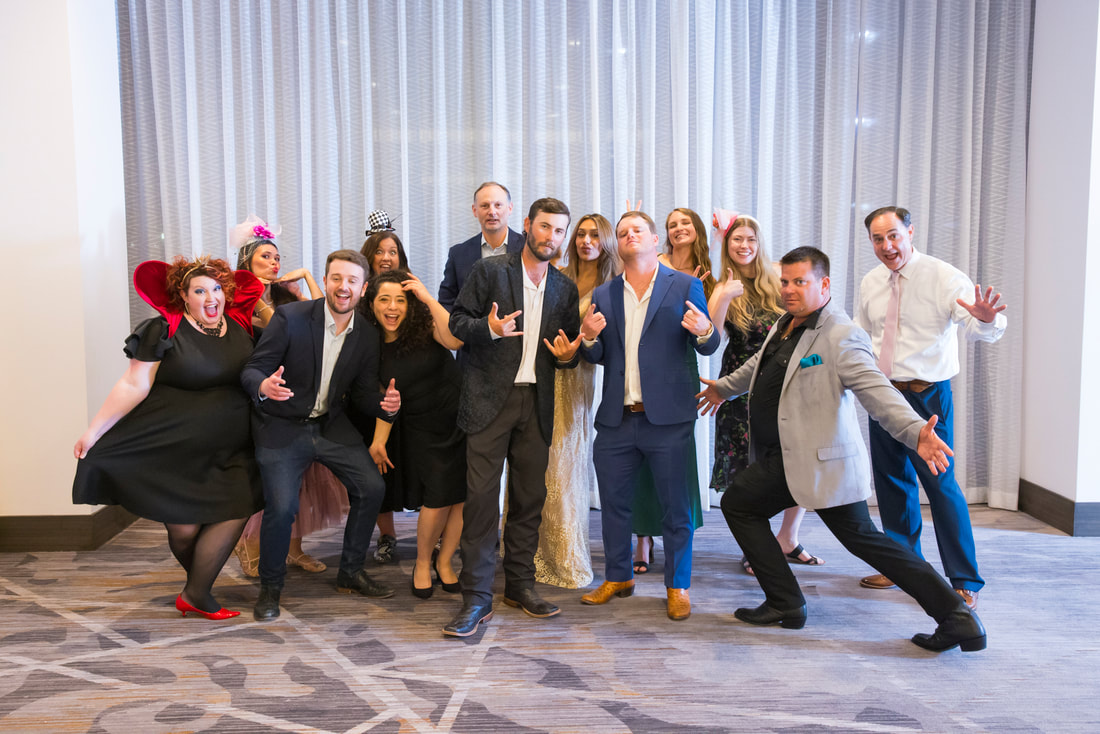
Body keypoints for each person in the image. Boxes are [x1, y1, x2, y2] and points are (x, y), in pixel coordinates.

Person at [697, 246, 986, 653]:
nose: (789, 290)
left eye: (800, 282)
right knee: (754, 508)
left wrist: (915, 430)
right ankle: (787, 601)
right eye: (785, 281)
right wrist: (723, 389)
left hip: (819, 463)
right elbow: (758, 366)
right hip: (788, 457)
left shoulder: (840, 333)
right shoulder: (787, 322)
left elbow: (875, 389)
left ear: (824, 284)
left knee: (754, 508)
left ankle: (955, 617)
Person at [73, 256, 264, 620]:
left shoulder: (240, 326)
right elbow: (133, 383)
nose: (212, 297)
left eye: (217, 288)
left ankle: (196, 593)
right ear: (184, 296)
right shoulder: (165, 329)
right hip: (173, 448)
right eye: (200, 290)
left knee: (241, 504)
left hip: (234, 446)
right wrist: (94, 431)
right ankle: (199, 587)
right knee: (185, 530)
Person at [855, 207, 1007, 609]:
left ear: (910, 232)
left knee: (940, 485)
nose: (886, 246)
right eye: (877, 239)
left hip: (928, 396)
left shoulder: (943, 276)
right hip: (883, 393)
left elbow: (976, 326)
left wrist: (988, 320)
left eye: (893, 236)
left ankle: (965, 580)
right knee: (891, 481)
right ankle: (903, 565)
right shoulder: (871, 281)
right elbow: (862, 336)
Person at [444, 197, 582, 637]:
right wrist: (488, 329)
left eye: (560, 231)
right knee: (482, 502)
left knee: (528, 501)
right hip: (488, 402)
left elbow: (564, 354)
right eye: (545, 228)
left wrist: (567, 357)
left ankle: (519, 586)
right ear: (527, 226)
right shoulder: (489, 272)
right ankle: (476, 598)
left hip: (536, 405)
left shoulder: (564, 287)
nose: (552, 238)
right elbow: (456, 324)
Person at [241, 249, 401, 621]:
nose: (343, 287)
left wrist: (385, 406)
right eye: (337, 278)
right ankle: (271, 587)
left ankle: (350, 572)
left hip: (329, 426)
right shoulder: (290, 317)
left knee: (372, 487)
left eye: (352, 281)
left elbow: (362, 394)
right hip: (280, 425)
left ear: (363, 289)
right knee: (281, 508)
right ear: (325, 280)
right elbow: (253, 369)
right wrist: (264, 385)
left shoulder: (366, 335)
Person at [579, 210, 719, 621]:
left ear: (655, 240)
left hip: (669, 420)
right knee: (614, 506)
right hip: (616, 420)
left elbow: (708, 346)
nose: (629, 236)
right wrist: (587, 338)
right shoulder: (603, 295)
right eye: (622, 233)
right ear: (617, 245)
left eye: (637, 230)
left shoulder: (686, 285)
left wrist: (706, 331)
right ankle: (618, 577)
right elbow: (599, 354)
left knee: (675, 509)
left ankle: (677, 586)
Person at [707, 210, 823, 575]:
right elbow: (709, 337)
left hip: (786, 380)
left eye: (750, 239)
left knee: (794, 461)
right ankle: (755, 544)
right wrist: (724, 294)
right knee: (748, 470)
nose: (744, 245)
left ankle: (788, 538)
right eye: (737, 239)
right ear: (727, 245)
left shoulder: (779, 278)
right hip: (739, 387)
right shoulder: (720, 283)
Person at [230, 216, 346, 578]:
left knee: (304, 477)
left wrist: (307, 277)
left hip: (296, 392)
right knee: (269, 477)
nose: (274, 264)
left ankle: (294, 549)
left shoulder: (286, 293)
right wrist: (259, 292)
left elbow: (325, 319)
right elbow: (273, 329)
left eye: (277, 258)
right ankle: (248, 543)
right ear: (247, 261)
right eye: (266, 256)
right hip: (257, 391)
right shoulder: (237, 296)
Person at [363, 269, 466, 598]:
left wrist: (426, 296)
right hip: (421, 428)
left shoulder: (425, 326)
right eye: (384, 300)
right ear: (372, 304)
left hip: (459, 419)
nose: (392, 307)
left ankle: (445, 562)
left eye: (400, 300)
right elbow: (387, 400)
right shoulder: (369, 345)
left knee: (462, 498)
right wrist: (378, 441)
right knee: (437, 499)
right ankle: (423, 562)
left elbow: (455, 339)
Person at [533, 213, 621, 588]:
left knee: (564, 464)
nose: (587, 241)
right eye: (581, 234)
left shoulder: (613, 285)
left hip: (577, 378)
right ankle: (527, 549)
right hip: (541, 371)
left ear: (606, 242)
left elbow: (609, 345)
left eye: (594, 236)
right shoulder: (557, 273)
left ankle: (564, 556)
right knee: (535, 461)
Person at [631, 207, 716, 573]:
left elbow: (710, 332)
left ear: (697, 229)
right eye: (672, 225)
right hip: (639, 381)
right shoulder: (652, 262)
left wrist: (704, 322)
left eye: (686, 223)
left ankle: (677, 544)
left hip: (678, 382)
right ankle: (642, 538)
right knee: (641, 466)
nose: (679, 229)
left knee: (677, 468)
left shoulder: (708, 273)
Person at [358, 210, 411, 565]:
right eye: (380, 251)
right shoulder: (359, 294)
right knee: (379, 471)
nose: (387, 257)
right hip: (371, 395)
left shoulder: (411, 291)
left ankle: (432, 535)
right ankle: (386, 535)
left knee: (410, 466)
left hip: (408, 393)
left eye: (392, 251)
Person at [438, 182, 526, 310]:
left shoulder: (527, 249)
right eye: (485, 206)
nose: (492, 212)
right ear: (475, 210)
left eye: (498, 205)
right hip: (472, 329)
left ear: (510, 208)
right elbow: (446, 303)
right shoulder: (458, 254)